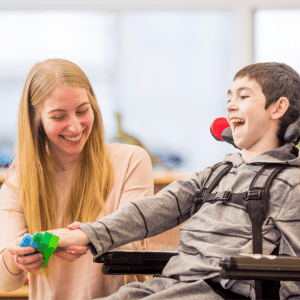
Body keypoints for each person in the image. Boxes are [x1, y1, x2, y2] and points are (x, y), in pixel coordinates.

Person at [41, 62, 300, 300]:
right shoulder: (215, 174)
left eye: (243, 96)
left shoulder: (291, 183)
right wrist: (85, 234)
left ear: (277, 108)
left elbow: (295, 273)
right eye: (229, 98)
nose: (231, 105)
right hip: (173, 285)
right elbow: (151, 210)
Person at [0, 59, 154, 299]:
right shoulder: (16, 185)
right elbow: (7, 282)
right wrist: (15, 257)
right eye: (59, 116)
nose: (75, 126)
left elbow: (134, 245)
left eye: (82, 111)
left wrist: (89, 237)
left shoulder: (131, 161)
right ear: (36, 120)